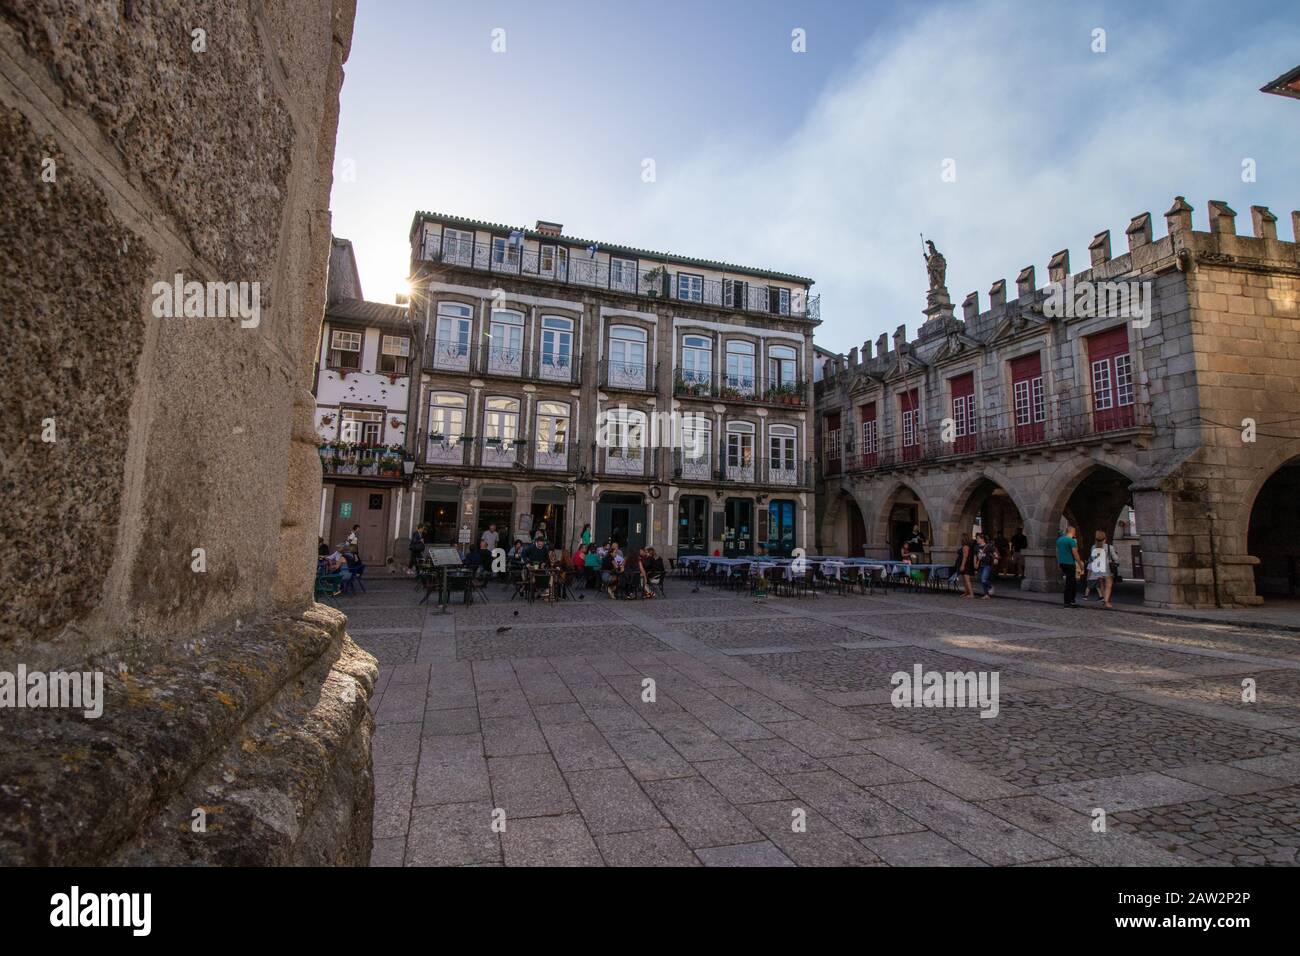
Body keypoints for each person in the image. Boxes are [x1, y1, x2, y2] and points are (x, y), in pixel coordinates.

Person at [1088, 530, 1119, 609]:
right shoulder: (1109, 547)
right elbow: (1115, 558)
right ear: (1105, 538)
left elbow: (1092, 558)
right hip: (1106, 568)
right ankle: (1106, 602)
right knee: (1108, 585)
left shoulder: (1093, 547)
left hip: (1097, 569)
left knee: (1101, 584)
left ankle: (1104, 599)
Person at [1056, 526, 1083, 608]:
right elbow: (1075, 554)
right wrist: (1080, 564)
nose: (1075, 533)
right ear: (1072, 531)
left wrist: (1058, 562)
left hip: (1062, 563)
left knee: (1071, 581)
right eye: (1074, 531)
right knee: (1070, 582)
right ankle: (1068, 602)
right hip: (1070, 563)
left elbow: (1057, 552)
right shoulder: (1071, 541)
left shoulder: (1059, 540)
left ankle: (1071, 600)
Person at [976, 532, 999, 599]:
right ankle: (986, 594)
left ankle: (990, 586)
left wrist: (996, 558)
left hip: (987, 565)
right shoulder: (977, 547)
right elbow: (977, 556)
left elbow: (995, 552)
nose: (977, 540)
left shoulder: (988, 546)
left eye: (978, 538)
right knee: (981, 579)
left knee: (984, 579)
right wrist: (976, 563)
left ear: (982, 539)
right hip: (981, 565)